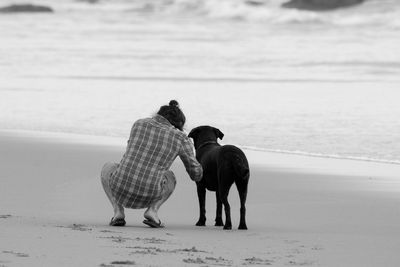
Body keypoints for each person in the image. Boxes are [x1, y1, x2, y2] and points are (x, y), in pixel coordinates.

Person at [101, 100, 203, 228]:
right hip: (150, 193)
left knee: (108, 166)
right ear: (179, 123)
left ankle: (118, 211)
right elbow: (196, 174)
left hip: (120, 188)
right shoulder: (181, 138)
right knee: (170, 176)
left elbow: (130, 151)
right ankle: (152, 211)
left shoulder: (139, 123)